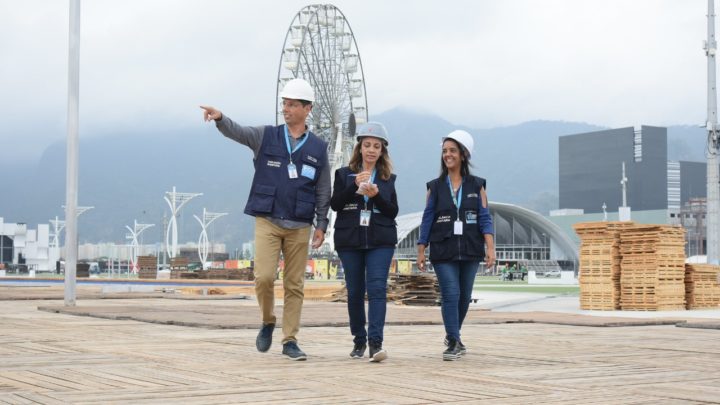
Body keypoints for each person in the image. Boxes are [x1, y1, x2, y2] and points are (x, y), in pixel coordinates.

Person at [200, 78, 330, 361]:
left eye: (292, 104)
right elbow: (239, 132)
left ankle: (290, 339)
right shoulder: (265, 136)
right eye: (284, 103)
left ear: (307, 109)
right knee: (264, 277)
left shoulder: (319, 148)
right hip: (268, 219)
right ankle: (268, 319)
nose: (286, 108)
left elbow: (323, 188)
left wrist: (322, 225)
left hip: (300, 224)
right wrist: (221, 118)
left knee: (295, 285)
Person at [416, 130, 496, 361]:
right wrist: (422, 248)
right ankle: (453, 340)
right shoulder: (434, 187)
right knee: (451, 293)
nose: (447, 155)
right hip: (443, 249)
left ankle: (453, 336)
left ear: (463, 154)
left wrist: (490, 247)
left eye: (452, 151)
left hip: (471, 249)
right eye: (444, 151)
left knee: (463, 297)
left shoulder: (478, 185)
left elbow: (485, 217)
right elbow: (427, 218)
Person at [330, 122, 398, 363]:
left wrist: (377, 196)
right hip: (349, 239)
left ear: (382, 151)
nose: (371, 150)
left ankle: (375, 342)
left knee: (378, 289)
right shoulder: (342, 174)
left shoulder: (388, 179)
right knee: (355, 291)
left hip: (381, 239)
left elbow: (392, 211)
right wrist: (353, 186)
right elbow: (335, 204)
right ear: (359, 147)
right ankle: (359, 339)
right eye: (367, 145)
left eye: (376, 146)